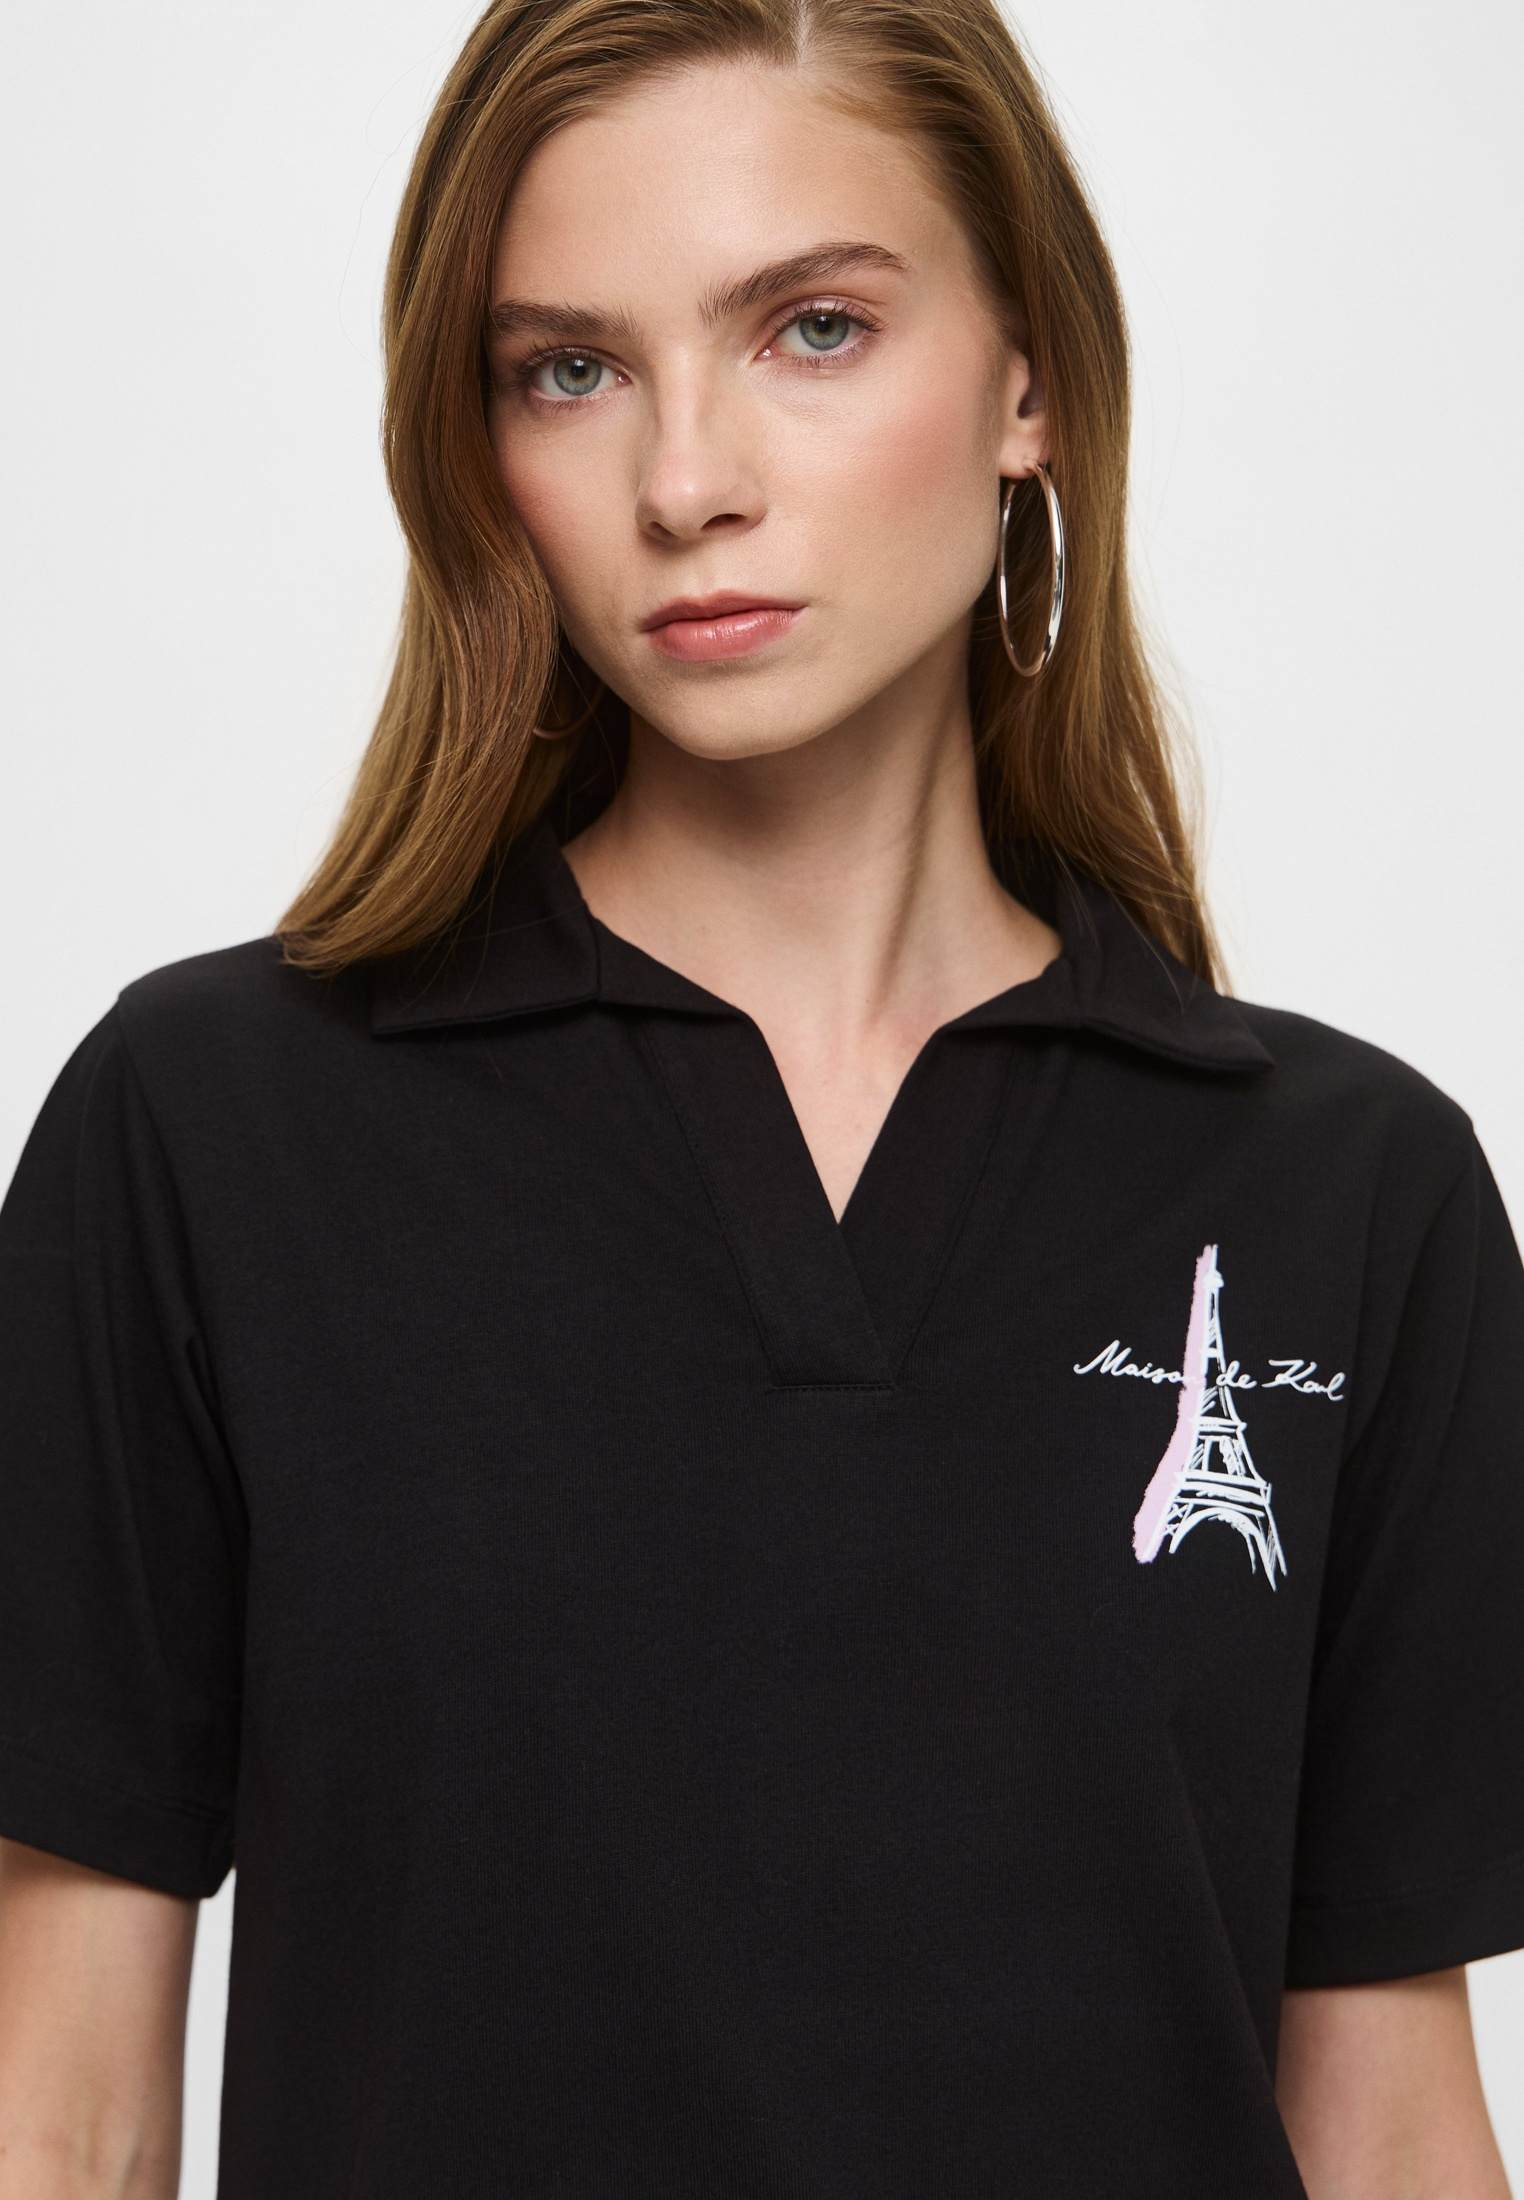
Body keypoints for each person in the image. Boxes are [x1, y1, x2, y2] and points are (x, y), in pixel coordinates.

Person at [1, 2, 1521, 2194]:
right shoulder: (208, 1132)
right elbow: (61, 2120)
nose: (684, 479)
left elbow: (1389, 2131)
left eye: (813, 328)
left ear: (1030, 382)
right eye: (569, 368)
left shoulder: (1351, 1191)